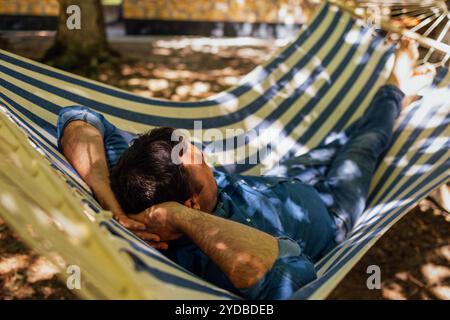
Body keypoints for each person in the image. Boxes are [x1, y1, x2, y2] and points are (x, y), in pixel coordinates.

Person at [57, 39, 435, 299]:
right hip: (331, 210)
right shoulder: (214, 253)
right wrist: (178, 218)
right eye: (200, 160)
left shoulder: (135, 178)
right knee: (366, 145)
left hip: (287, 179)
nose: (204, 153)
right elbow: (290, 279)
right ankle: (395, 89)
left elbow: (78, 117)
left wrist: (116, 209)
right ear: (189, 205)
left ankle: (399, 99)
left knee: (340, 138)